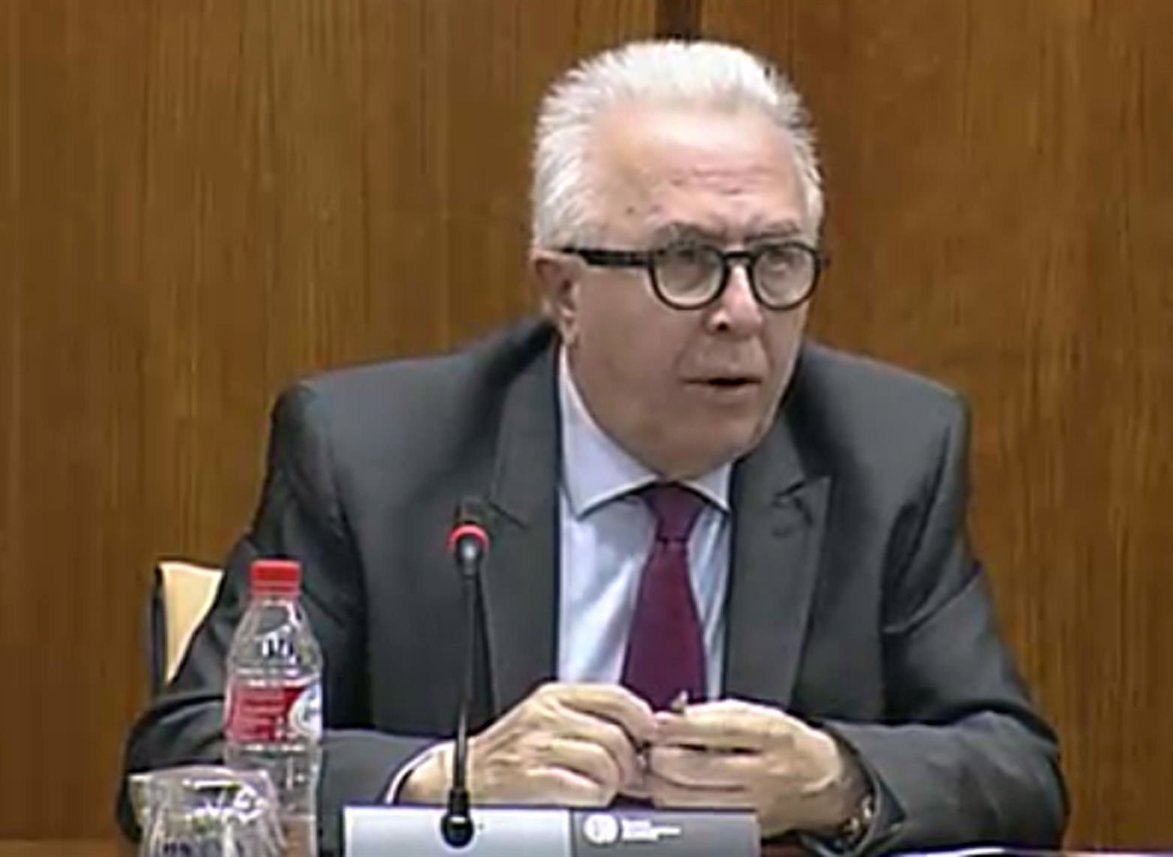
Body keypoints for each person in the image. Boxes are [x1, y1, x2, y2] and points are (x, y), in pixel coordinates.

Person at [118, 39, 1067, 855]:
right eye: (686, 260)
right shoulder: (370, 455)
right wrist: (445, 777)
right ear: (564, 291)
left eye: (777, 260)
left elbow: (1017, 768)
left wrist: (837, 777)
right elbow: (186, 759)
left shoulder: (889, 450)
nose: (742, 312)